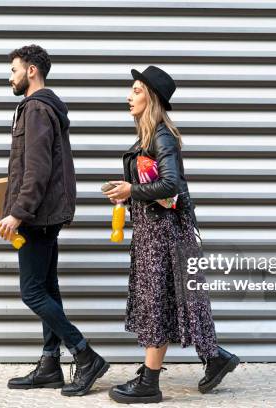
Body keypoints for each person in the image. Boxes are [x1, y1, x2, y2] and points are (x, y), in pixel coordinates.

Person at [102, 65, 240, 404]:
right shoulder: (149, 137)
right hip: (156, 233)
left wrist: (129, 190)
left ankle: (150, 383)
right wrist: (128, 193)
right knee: (177, 302)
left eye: (136, 91)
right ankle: (216, 358)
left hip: (164, 235)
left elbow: (171, 185)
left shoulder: (161, 136)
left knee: (157, 303)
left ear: (152, 98)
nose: (128, 97)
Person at [0, 44, 109, 397]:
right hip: (42, 214)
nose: (10, 77)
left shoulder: (35, 109)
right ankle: (49, 363)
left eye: (14, 70)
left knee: (31, 291)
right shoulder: (42, 108)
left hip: (37, 216)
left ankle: (84, 354)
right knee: (47, 289)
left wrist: (17, 212)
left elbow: (37, 169)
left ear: (31, 71)